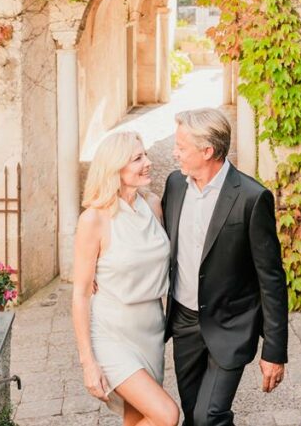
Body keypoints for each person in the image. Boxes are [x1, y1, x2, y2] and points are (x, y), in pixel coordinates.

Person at [163, 108, 288, 426]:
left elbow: (271, 278)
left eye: (181, 146)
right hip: (184, 323)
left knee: (210, 417)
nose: (174, 152)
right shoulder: (175, 186)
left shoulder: (251, 197)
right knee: (193, 415)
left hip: (231, 325)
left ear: (207, 151)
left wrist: (274, 350)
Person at [72, 130, 180, 426]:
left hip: (151, 330)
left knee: (137, 419)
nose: (148, 162)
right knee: (167, 415)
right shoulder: (94, 219)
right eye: (137, 158)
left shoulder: (153, 205)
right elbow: (80, 294)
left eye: (145, 154)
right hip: (111, 333)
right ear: (115, 167)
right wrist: (88, 363)